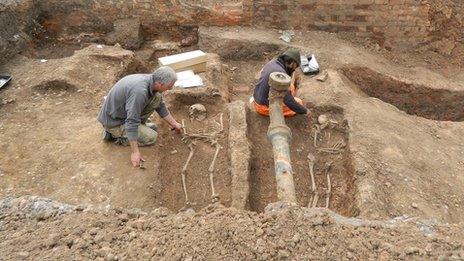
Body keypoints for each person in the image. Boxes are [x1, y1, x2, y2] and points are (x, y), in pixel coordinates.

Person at [97, 66, 182, 167]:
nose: (171, 88)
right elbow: (131, 121)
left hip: (123, 113)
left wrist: (174, 124)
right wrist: (135, 152)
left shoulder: (151, 81)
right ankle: (115, 135)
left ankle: (135, 129)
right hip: (114, 122)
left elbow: (160, 105)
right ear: (160, 84)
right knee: (151, 137)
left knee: (157, 98)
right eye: (169, 86)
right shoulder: (140, 92)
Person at [252, 48, 311, 118]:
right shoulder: (281, 73)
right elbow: (288, 101)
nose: (294, 69)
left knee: (291, 87)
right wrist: (305, 111)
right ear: (292, 63)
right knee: (299, 102)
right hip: (263, 107)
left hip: (258, 96)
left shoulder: (273, 62)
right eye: (296, 66)